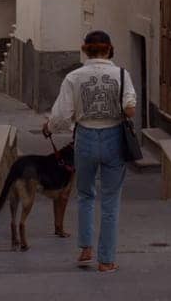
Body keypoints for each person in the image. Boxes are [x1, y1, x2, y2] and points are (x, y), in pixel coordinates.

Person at [43, 30, 136, 273]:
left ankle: (85, 247)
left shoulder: (74, 77)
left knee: (85, 194)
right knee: (110, 200)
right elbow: (130, 107)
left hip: (84, 138)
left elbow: (62, 115)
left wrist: (49, 127)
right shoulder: (122, 75)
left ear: (85, 49)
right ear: (110, 48)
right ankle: (106, 260)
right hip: (114, 138)